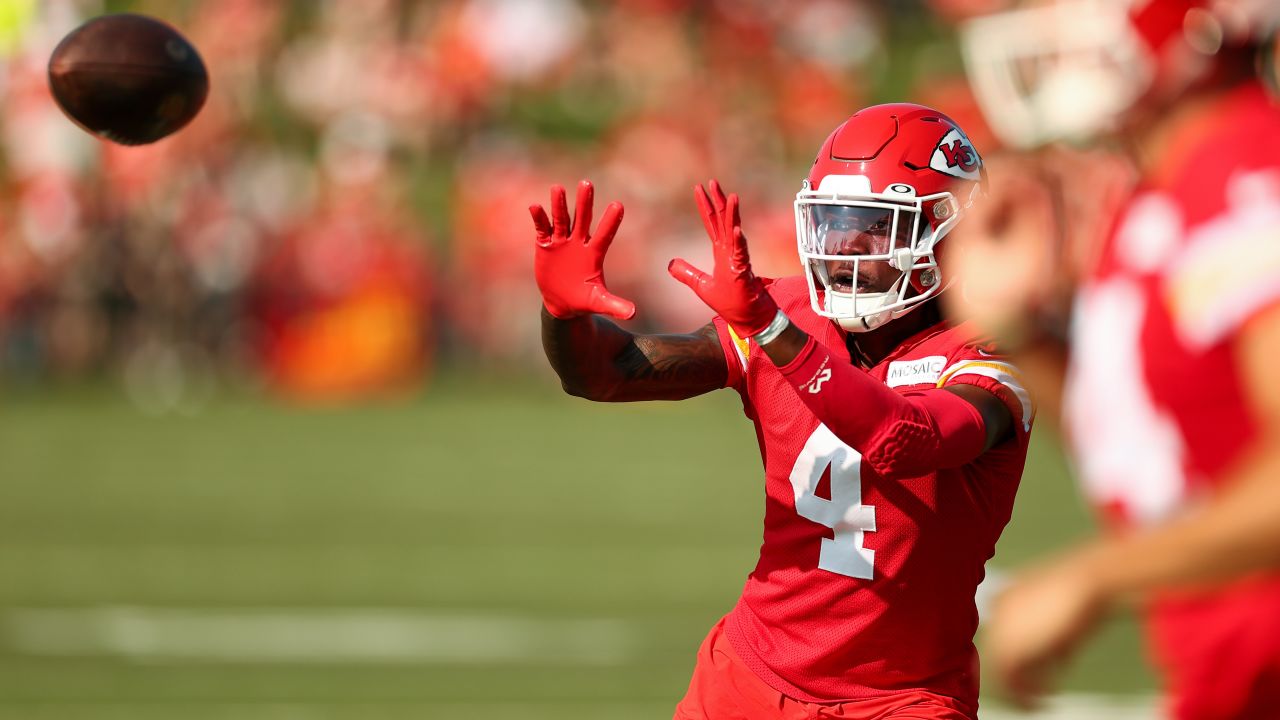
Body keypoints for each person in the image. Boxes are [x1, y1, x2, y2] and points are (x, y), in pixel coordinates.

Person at [530, 103, 1034, 720]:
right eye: (834, 222)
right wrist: (563, 315)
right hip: (746, 677)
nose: (845, 246)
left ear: (953, 231)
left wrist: (771, 332)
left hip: (899, 699)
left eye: (876, 226)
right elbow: (605, 374)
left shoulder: (987, 352)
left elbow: (908, 439)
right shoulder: (789, 315)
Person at [950, 1, 1280, 717]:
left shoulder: (1250, 180)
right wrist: (1020, 328)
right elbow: (1145, 453)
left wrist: (1095, 576)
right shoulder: (1159, 189)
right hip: (1228, 670)